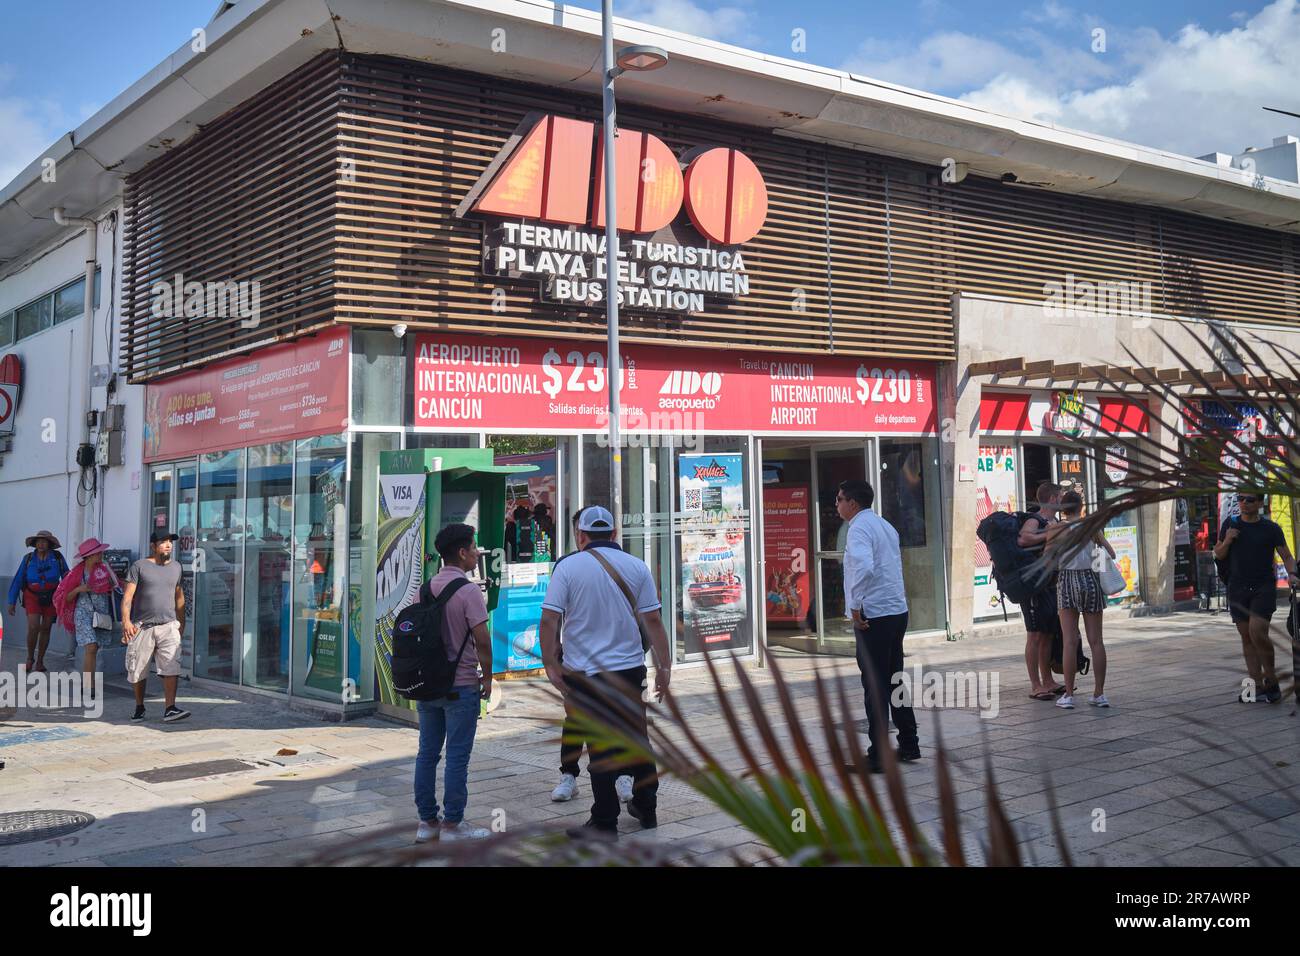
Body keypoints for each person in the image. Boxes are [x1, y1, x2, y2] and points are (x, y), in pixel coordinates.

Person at [539, 505, 670, 840]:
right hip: (628, 670)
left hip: (585, 675)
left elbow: (550, 620)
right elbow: (653, 621)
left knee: (600, 748)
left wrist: (551, 664)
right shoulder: (637, 566)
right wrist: (665, 665)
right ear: (614, 534)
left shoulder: (567, 568)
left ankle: (605, 821)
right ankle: (647, 807)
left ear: (580, 535)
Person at [414, 523, 494, 843]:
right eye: (474, 548)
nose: (477, 553)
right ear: (461, 553)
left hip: (428, 684)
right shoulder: (469, 590)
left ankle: (426, 823)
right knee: (457, 756)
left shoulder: (426, 588)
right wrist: (487, 678)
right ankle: (452, 825)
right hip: (461, 686)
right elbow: (483, 641)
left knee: (427, 754)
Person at [550, 507, 634, 806]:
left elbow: (646, 615)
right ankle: (569, 775)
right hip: (580, 661)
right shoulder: (567, 565)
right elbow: (554, 613)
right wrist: (555, 652)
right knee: (576, 720)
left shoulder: (629, 564)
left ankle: (624, 776)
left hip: (621, 660)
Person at [838, 479, 919, 773]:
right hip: (896, 610)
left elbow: (864, 566)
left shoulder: (858, 528)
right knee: (894, 678)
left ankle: (878, 755)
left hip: (875, 614)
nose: (837, 505)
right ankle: (909, 743)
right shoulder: (885, 525)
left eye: (839, 500)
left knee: (874, 684)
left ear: (853, 503)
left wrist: (855, 606)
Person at [1213, 491, 1299, 704]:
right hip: (1237, 587)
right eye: (1240, 499)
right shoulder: (1230, 525)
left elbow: (1286, 555)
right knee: (1247, 637)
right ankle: (1257, 686)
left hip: (1263, 587)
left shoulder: (1271, 528)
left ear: (1261, 503)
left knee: (1257, 631)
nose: (1244, 503)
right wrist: (1228, 540)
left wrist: (1293, 574)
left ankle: (1271, 680)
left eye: (1249, 500)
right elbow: (1219, 554)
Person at [1045, 491, 1114, 710]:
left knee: (1069, 641)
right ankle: (1099, 694)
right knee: (1097, 641)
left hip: (1067, 582)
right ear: (1081, 506)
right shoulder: (1090, 526)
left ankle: (1068, 695)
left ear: (1062, 508)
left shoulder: (1057, 529)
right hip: (1091, 580)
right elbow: (1110, 553)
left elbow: (1048, 558)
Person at [121, 531, 190, 722]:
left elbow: (179, 595)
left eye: (170, 542)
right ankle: (139, 706)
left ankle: (170, 708)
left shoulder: (176, 567)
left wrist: (181, 622)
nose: (168, 545)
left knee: (171, 666)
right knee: (138, 670)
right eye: (163, 542)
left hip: (168, 625)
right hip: (142, 626)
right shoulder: (139, 567)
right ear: (153, 545)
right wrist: (126, 621)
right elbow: (128, 597)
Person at [52, 538, 120, 698]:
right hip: (83, 614)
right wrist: (78, 590)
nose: (101, 554)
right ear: (89, 556)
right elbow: (64, 598)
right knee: (90, 647)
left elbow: (116, 586)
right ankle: (89, 686)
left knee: (95, 649)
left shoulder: (104, 569)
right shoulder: (75, 574)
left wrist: (109, 578)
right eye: (98, 552)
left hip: (100, 614)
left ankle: (87, 683)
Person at [1018, 482, 1065, 700]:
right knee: (1034, 635)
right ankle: (1035, 684)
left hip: (1053, 583)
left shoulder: (1056, 521)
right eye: (1061, 496)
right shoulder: (1034, 519)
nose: (1064, 501)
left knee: (1047, 634)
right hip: (1035, 586)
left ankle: (1048, 680)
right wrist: (1048, 535)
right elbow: (1024, 538)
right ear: (1053, 499)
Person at [7, 530, 69, 673]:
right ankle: (30, 658)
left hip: (52, 597)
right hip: (32, 596)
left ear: (49, 544)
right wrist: (12, 601)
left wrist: (70, 596)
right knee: (34, 626)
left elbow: (67, 576)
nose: (41, 543)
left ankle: (40, 661)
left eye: (44, 541)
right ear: (35, 543)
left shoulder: (57, 558)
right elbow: (18, 579)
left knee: (46, 628)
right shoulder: (28, 558)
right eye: (39, 541)